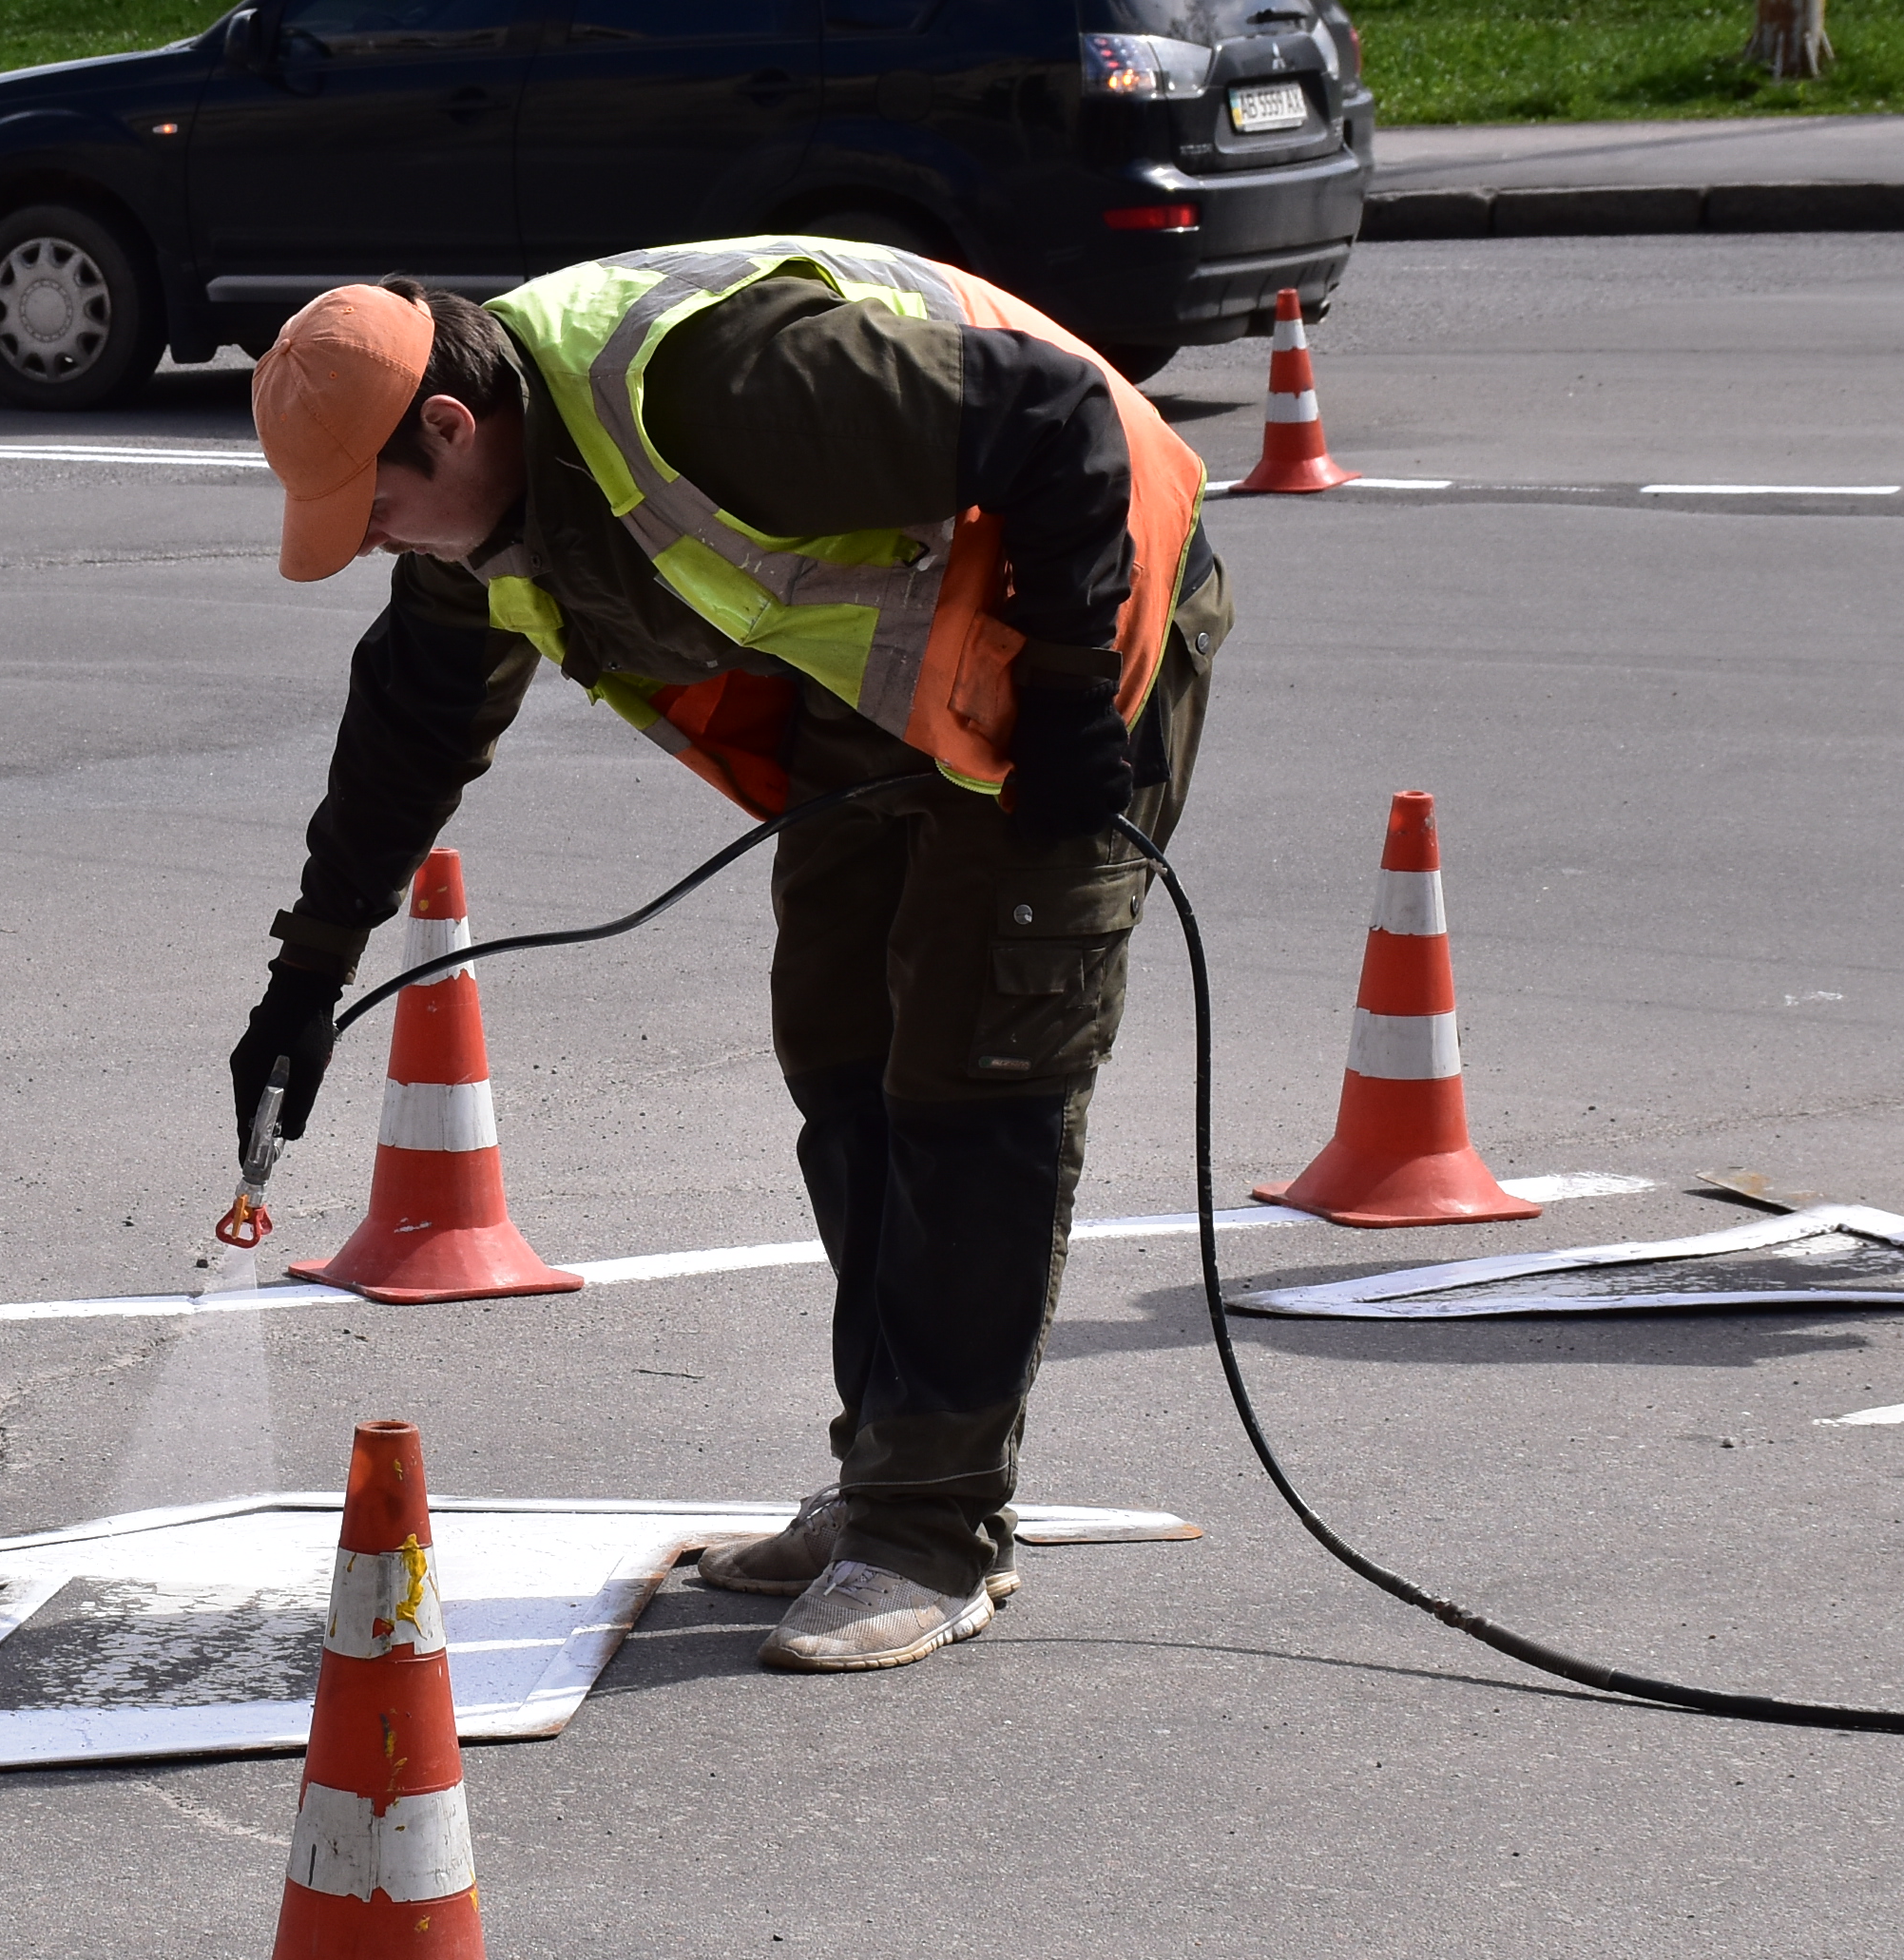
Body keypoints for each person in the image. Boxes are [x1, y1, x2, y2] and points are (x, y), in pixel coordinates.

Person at [230, 240, 1227, 1670]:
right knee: (841, 1048)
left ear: (447, 424)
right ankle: (885, 1474)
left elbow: (1058, 416)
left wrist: (1071, 696)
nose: (377, 539)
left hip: (1089, 624)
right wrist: (306, 979)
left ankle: (932, 1533)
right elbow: (410, 729)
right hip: (890, 706)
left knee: (974, 1069)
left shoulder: (713, 390)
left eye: (376, 506)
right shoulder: (483, 518)